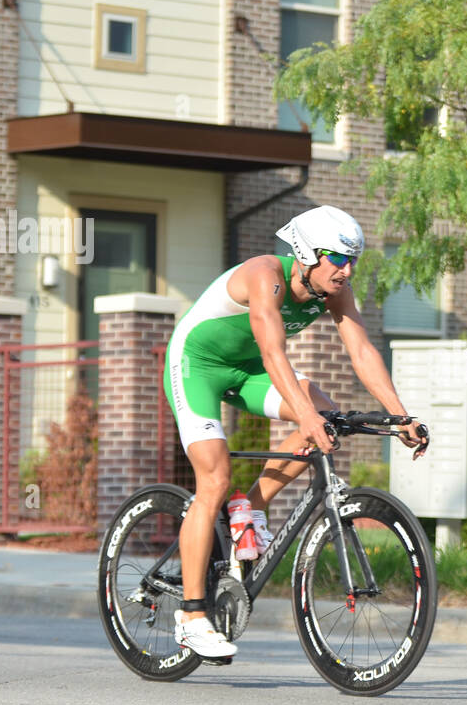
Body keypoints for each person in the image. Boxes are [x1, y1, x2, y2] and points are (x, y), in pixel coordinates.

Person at [163, 205, 427, 660]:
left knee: (325, 411)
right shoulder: (265, 275)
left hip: (246, 371)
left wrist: (400, 415)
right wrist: (305, 417)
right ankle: (190, 616)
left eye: (353, 260)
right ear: (306, 254)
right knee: (215, 478)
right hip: (198, 366)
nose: (346, 269)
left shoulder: (333, 291)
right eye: (338, 258)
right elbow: (272, 352)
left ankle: (251, 506)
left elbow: (362, 350)